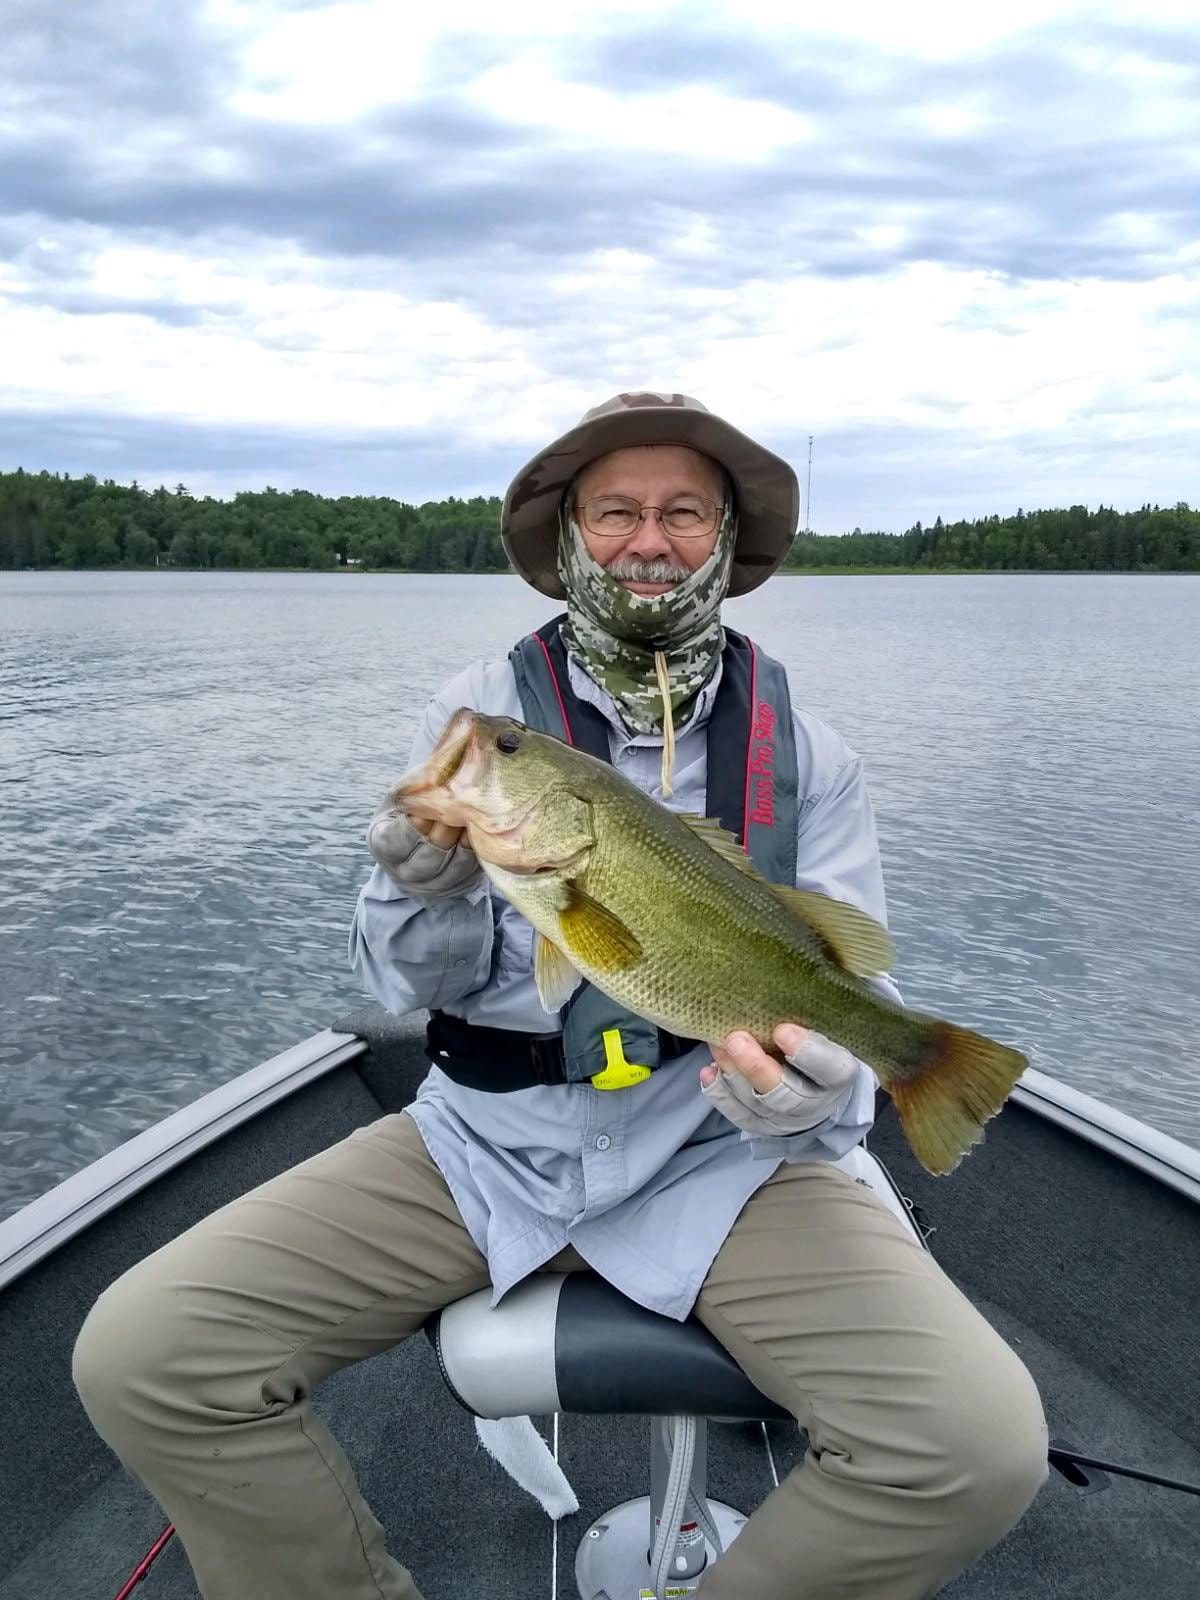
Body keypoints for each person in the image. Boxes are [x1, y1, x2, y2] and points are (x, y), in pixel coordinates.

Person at [73, 392, 1048, 1599]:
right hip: (486, 1146)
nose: (650, 540)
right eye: (617, 510)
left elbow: (845, 988)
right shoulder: (481, 713)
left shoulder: (812, 753)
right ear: (573, 535)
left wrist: (818, 1092)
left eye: (684, 511)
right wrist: (420, 888)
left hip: (718, 1160)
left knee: (974, 1446)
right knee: (146, 1352)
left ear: (729, 539)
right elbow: (404, 986)